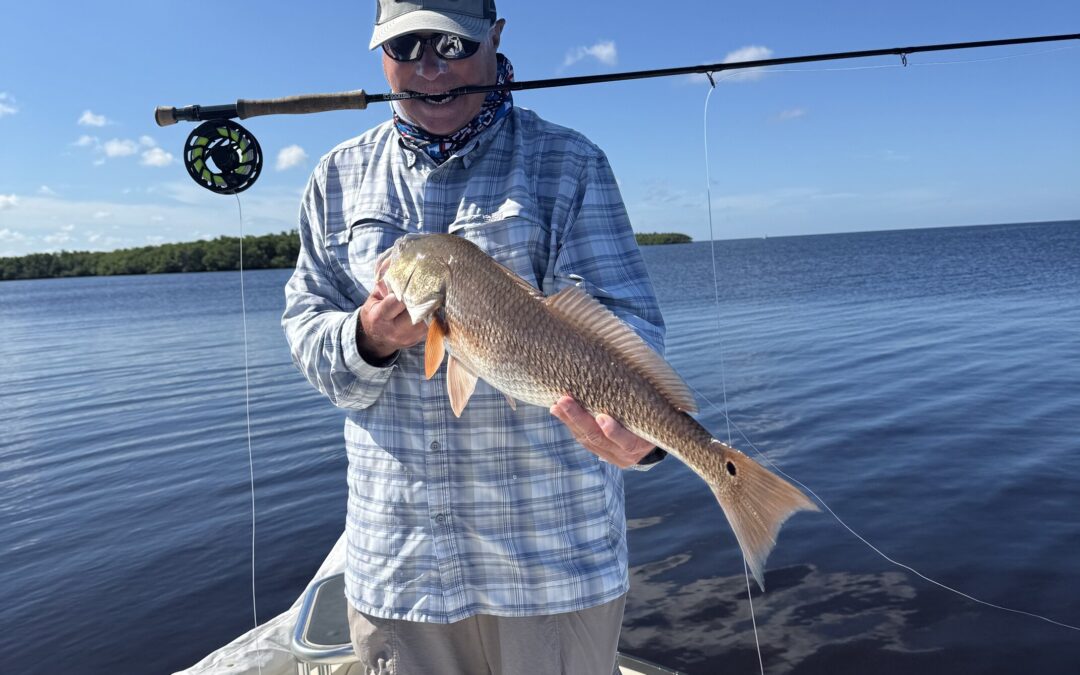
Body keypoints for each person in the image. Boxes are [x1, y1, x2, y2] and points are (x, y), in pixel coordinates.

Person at [282, 1, 668, 672]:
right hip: (399, 571)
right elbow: (306, 329)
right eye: (406, 47)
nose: (430, 68)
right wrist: (366, 338)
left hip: (552, 570)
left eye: (454, 45)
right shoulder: (335, 178)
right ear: (378, 52)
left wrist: (643, 430)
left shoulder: (569, 164)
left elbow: (625, 322)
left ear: (495, 37)